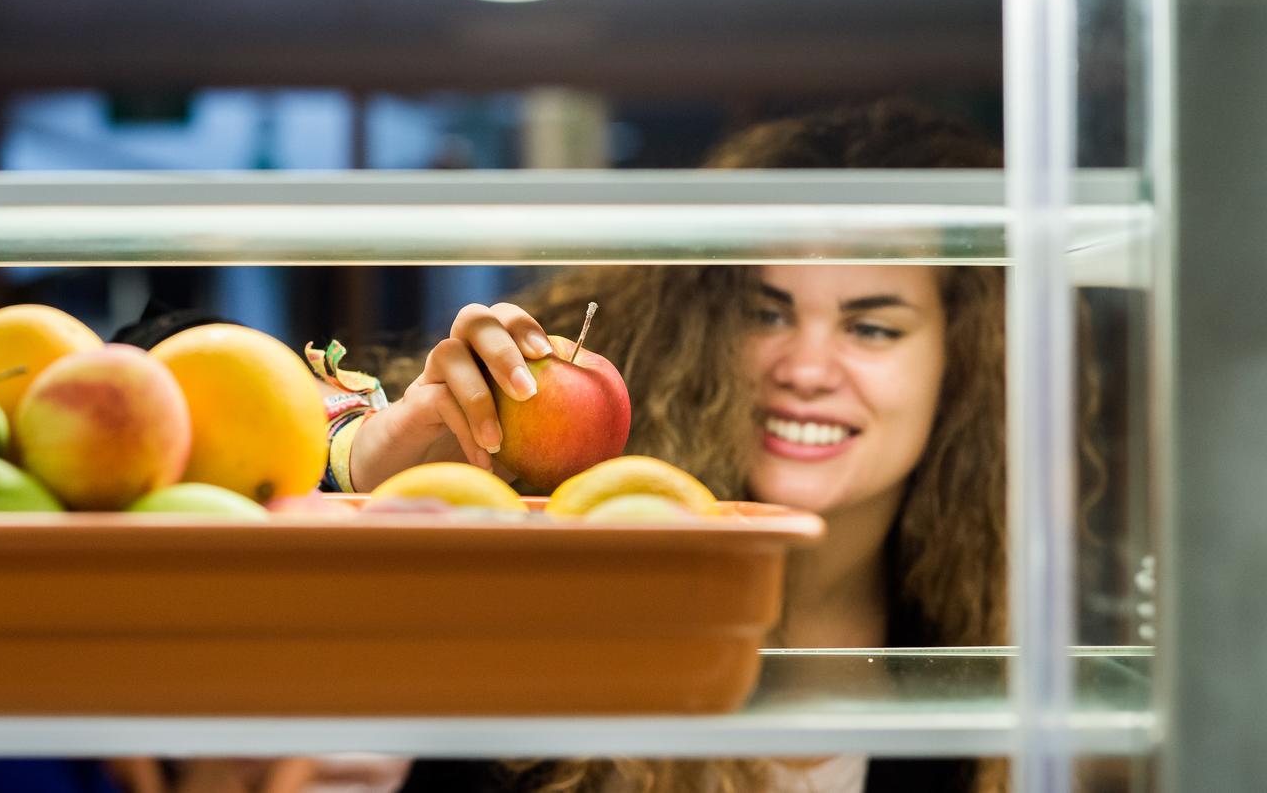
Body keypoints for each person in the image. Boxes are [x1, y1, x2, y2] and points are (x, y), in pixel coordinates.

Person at [310, 100, 1011, 793]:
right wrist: (369, 460)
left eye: (873, 329)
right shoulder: (555, 607)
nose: (804, 370)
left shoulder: (990, 650)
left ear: (961, 360)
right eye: (765, 314)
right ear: (699, 333)